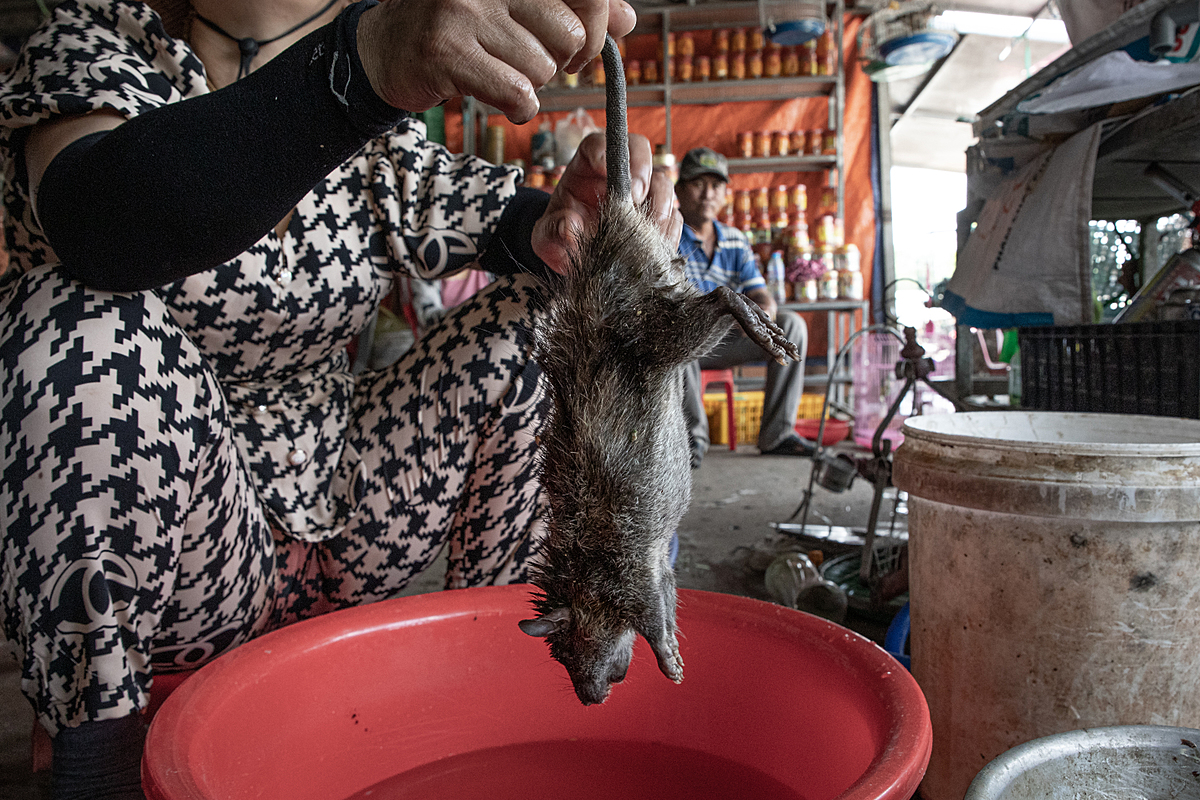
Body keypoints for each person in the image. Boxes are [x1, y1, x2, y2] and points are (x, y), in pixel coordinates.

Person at [0, 0, 681, 797]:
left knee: (548, 310)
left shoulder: (376, 129)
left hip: (351, 515)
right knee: (74, 324)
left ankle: (508, 700)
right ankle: (100, 764)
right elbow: (101, 220)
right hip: (189, 564)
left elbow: (506, 222)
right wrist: (359, 67)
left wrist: (576, 222)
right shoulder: (92, 45)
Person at [675, 147, 812, 467]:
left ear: (726, 194)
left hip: (728, 340)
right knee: (677, 341)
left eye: (717, 185)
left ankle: (777, 434)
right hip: (689, 342)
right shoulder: (668, 235)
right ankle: (692, 442)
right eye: (698, 184)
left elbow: (761, 294)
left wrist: (760, 314)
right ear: (680, 190)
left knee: (792, 326)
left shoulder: (735, 240)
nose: (708, 194)